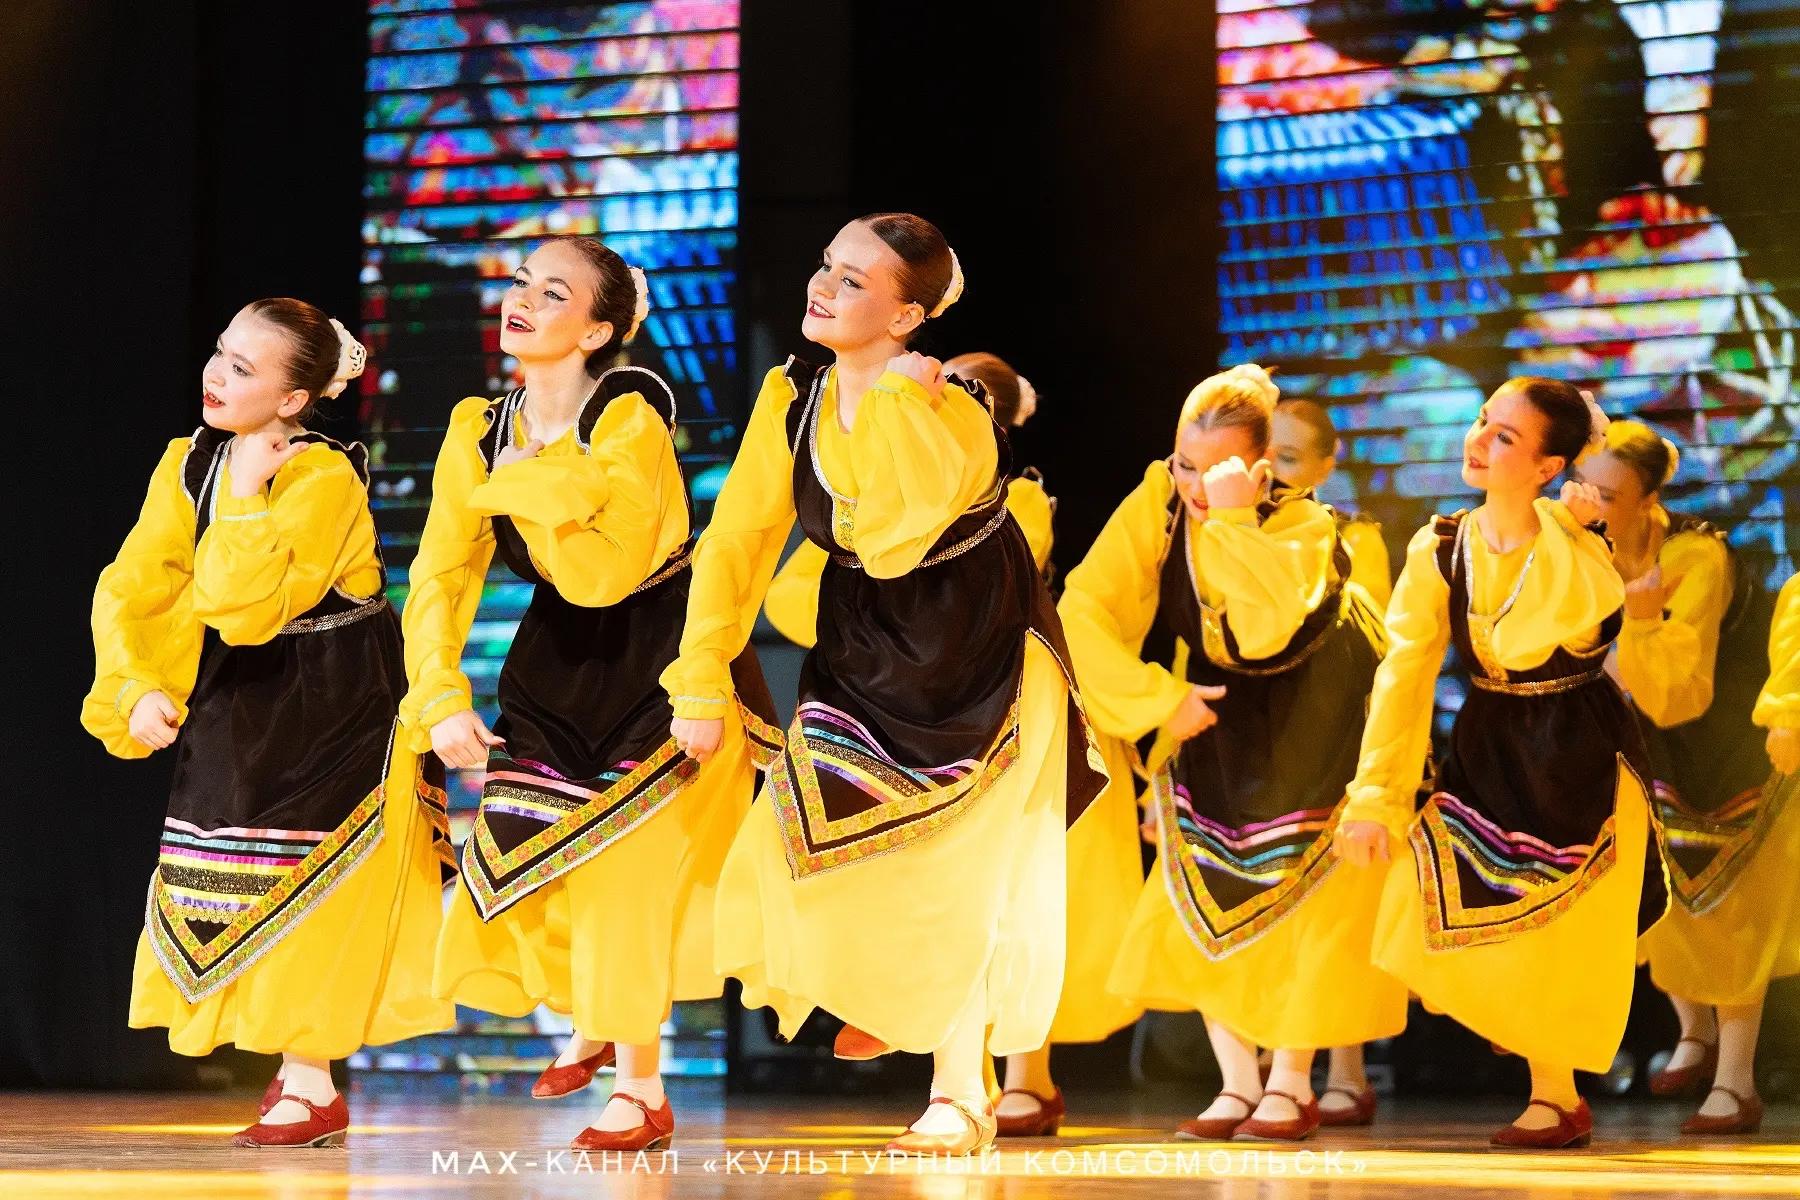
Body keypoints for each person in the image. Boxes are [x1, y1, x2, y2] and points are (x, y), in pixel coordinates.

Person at [661, 214, 1107, 1156]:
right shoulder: (793, 399)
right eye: (827, 265)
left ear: (907, 315)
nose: (824, 285)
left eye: (855, 280)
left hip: (981, 656)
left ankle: (960, 1091)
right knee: (790, 838)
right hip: (864, 650)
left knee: (957, 873)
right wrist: (700, 673)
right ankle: (885, 987)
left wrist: (900, 397)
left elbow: (900, 536)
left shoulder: (954, 407)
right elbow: (737, 540)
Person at [402, 236, 768, 1153]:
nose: (522, 298)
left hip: (658, 657)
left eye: (553, 291)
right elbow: (441, 573)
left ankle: (640, 1090)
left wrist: (519, 481)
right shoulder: (477, 429)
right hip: (554, 661)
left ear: (598, 330)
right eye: (521, 280)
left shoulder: (629, 415)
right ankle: (601, 1014)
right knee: (527, 862)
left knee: (627, 877)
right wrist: (439, 692)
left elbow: (605, 573)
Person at [83, 299, 453, 1147]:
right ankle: (300, 1073)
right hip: (243, 698)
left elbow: (247, 609)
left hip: (335, 701)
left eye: (244, 368)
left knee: (314, 882)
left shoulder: (322, 476)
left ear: (293, 399)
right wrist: (134, 684)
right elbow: (135, 584)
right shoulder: (186, 463)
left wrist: (247, 494)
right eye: (221, 353)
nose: (217, 374)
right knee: (229, 878)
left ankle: (310, 1082)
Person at [759, 350, 1143, 1137]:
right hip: (900, 694)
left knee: (1002, 892)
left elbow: (974, 587)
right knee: (908, 872)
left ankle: (1015, 1076)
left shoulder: (1013, 496)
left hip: (995, 699)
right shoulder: (865, 483)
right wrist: (867, 613)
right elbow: (798, 595)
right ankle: (928, 1034)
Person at [1069, 364, 1405, 1143]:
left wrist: (1231, 517)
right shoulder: (1159, 501)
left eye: (1215, 469)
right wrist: (1157, 698)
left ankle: (1291, 1081)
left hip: (1314, 727)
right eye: (1184, 464)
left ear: (1260, 469)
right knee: (1197, 901)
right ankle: (1237, 1083)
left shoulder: (1304, 524)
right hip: (1218, 719)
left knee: (1305, 912)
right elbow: (1085, 607)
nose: (1193, 484)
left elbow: (1261, 630)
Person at [1336, 378, 1664, 1149]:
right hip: (1489, 746)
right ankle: (1537, 1067)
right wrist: (1375, 794)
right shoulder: (1440, 547)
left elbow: (1541, 632)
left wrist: (1566, 530)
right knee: (1421, 898)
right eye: (1483, 421)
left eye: (1506, 436)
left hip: (1577, 753)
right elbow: (1404, 673)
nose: (1479, 439)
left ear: (1549, 467)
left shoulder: (1580, 551)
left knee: (1561, 929)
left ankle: (1555, 1096)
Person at [1577, 420, 1798, 1135]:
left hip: (1722, 750)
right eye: (1583, 487)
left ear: (1648, 501)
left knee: (1728, 909)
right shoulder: (1580, 550)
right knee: (1650, 901)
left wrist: (1638, 623)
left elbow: (1680, 695)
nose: (1591, 504)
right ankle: (1693, 1030)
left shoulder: (1695, 556)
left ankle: (1735, 1080)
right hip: (1647, 750)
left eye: (1609, 495)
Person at [1270, 397, 1392, 611]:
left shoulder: (1354, 538)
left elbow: (1367, 627)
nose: (1267, 467)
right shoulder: (1228, 523)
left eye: (1287, 458)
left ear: (1324, 469)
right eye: (1258, 451)